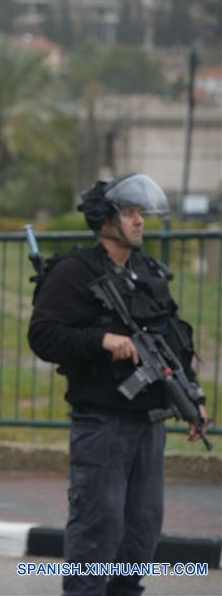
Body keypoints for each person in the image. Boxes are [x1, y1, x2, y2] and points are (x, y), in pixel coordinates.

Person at [27, 173, 207, 596]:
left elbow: (174, 342)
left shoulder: (148, 272)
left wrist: (192, 397)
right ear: (105, 219)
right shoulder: (75, 271)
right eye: (129, 213)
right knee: (98, 528)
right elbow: (43, 335)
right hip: (102, 423)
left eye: (141, 213)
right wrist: (98, 340)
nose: (139, 221)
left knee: (142, 528)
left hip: (149, 422)